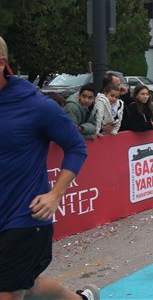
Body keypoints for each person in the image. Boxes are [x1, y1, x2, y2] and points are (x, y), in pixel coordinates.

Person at [0, 37, 100, 300]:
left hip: (24, 217)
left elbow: (76, 147)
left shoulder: (36, 106)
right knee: (28, 286)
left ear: (1, 63)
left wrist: (55, 194)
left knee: (8, 292)